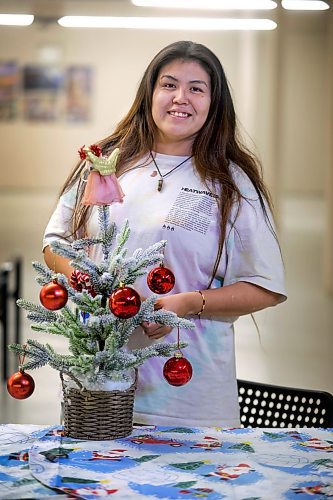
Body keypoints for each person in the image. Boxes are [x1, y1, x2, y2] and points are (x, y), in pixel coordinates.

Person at [43, 40, 287, 428]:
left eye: (196, 88)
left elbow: (267, 285)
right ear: (150, 93)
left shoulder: (231, 183)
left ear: (214, 102)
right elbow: (55, 243)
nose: (180, 98)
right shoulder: (108, 161)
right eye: (169, 85)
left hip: (187, 396)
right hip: (98, 384)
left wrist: (188, 303)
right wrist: (96, 286)